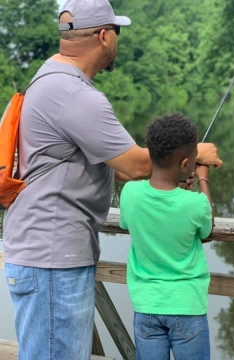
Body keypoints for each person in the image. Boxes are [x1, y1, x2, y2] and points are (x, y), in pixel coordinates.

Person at [2, 0, 222, 359]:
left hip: (42, 254)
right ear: (104, 36)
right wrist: (197, 154)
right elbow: (136, 166)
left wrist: (166, 175)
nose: (118, 40)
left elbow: (116, 166)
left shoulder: (48, 80)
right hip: (52, 259)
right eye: (117, 32)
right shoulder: (74, 95)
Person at [119, 113, 214, 360]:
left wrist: (176, 190)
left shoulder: (129, 192)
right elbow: (206, 228)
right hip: (187, 306)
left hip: (145, 306)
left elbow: (126, 222)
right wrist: (203, 179)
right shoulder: (195, 204)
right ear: (186, 165)